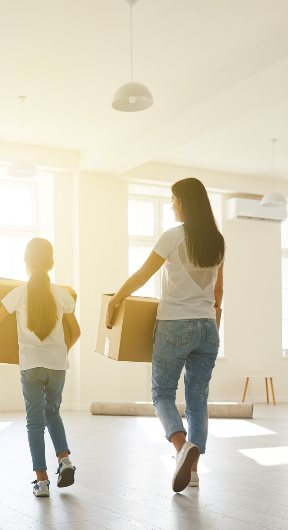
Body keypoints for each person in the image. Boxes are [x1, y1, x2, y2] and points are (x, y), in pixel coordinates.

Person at [106, 178, 224, 493]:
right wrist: (212, 327)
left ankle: (181, 446)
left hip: (175, 325)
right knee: (198, 399)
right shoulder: (217, 240)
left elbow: (143, 275)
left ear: (185, 202)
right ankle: (194, 472)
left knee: (162, 394)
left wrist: (115, 300)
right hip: (208, 327)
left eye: (173, 199)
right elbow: (219, 291)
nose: (171, 205)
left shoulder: (173, 236)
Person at [0, 238, 80, 497]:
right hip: (57, 367)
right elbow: (76, 331)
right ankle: (65, 460)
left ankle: (42, 481)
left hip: (31, 367)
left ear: (25, 264)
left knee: (35, 422)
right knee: (53, 412)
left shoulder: (17, 294)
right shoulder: (62, 294)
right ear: (52, 263)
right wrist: (61, 352)